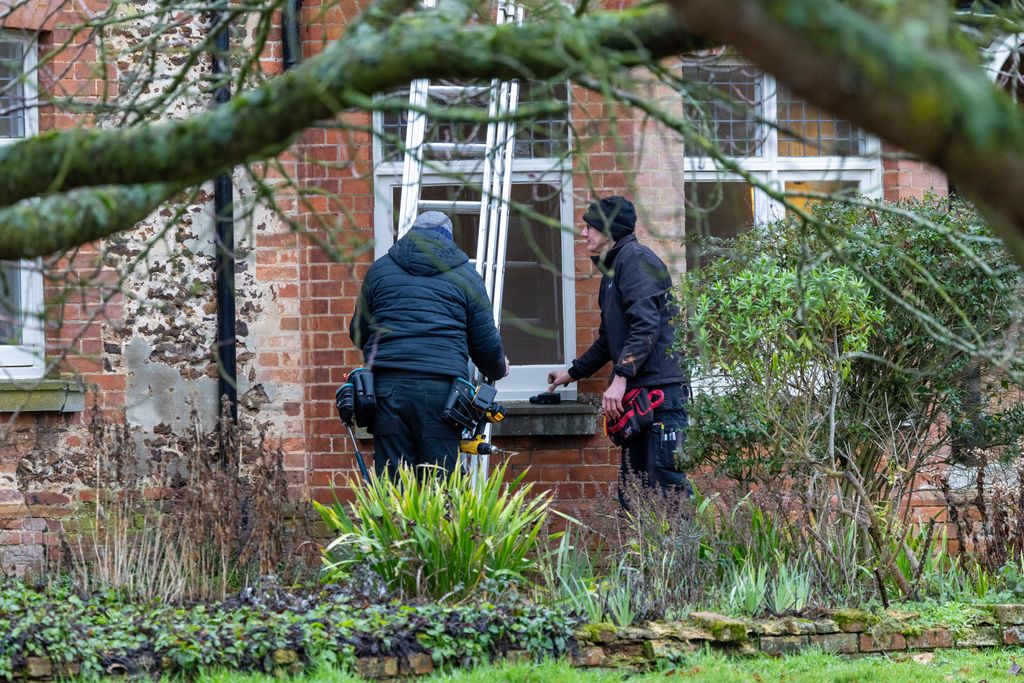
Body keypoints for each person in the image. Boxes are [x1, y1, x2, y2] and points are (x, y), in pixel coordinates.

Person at [546, 196, 691, 506]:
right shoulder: (615, 269)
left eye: (590, 227)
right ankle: (649, 556)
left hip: (660, 398)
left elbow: (646, 325)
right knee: (635, 496)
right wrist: (571, 373)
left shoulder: (635, 261)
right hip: (642, 400)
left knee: (668, 494)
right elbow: (608, 340)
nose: (584, 234)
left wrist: (621, 377)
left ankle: (682, 557)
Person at [349, 211, 508, 477]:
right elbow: (485, 344)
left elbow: (358, 332)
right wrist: (499, 367)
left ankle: (395, 521)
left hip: (387, 391)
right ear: (449, 239)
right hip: (442, 394)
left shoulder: (380, 270)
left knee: (393, 484)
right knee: (439, 484)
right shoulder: (467, 276)